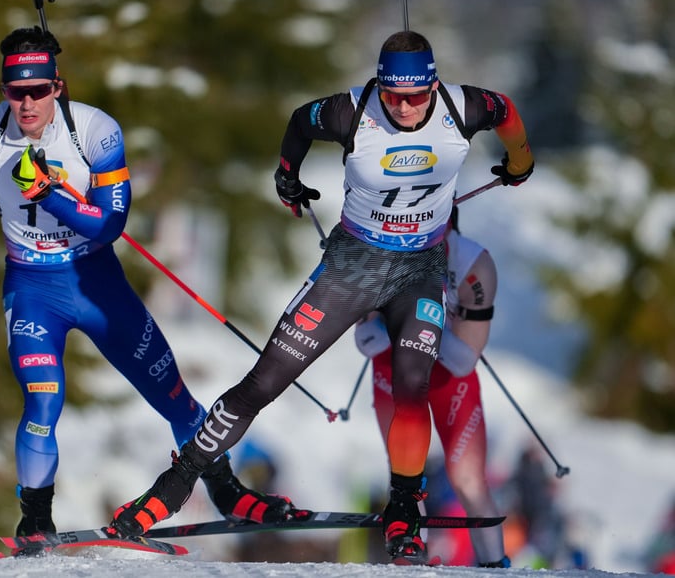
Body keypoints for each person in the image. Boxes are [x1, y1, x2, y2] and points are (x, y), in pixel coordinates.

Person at [107, 29, 534, 563]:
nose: (404, 107)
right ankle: (171, 488)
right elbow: (298, 122)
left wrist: (520, 159)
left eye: (416, 96)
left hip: (423, 268)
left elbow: (507, 110)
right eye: (393, 95)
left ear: (433, 85)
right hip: (352, 265)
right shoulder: (350, 111)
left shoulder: (462, 105)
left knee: (411, 385)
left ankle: (405, 509)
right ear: (379, 84)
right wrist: (288, 176)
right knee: (264, 381)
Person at [0, 26, 295, 540]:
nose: (27, 105)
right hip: (32, 288)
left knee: (174, 398)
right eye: (15, 93)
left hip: (96, 283)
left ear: (58, 86)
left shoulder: (96, 132)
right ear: (4, 90)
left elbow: (110, 224)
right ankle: (34, 517)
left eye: (39, 91)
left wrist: (51, 195)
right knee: (43, 400)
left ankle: (227, 490)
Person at [353, 206, 510, 567]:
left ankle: (494, 564)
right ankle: (410, 554)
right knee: (405, 471)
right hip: (393, 371)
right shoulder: (383, 253)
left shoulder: (475, 266)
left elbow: (463, 360)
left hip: (448, 380)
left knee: (468, 480)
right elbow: (364, 340)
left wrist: (412, 327)